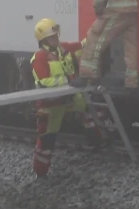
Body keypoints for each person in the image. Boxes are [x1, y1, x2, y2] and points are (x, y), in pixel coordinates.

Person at [30, 18, 108, 178]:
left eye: (56, 36)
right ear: (43, 40)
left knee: (93, 110)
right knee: (47, 140)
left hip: (71, 98)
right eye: (52, 37)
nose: (56, 39)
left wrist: (98, 31)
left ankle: (98, 141)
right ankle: (40, 171)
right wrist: (68, 81)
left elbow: (82, 45)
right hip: (51, 103)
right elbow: (44, 82)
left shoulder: (63, 49)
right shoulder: (39, 57)